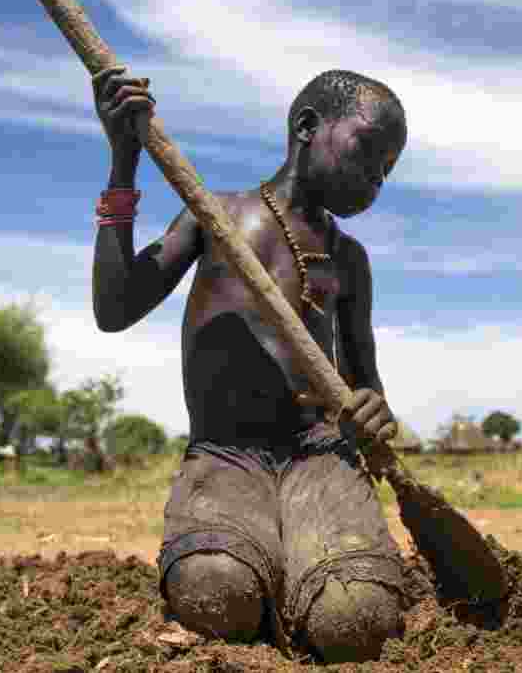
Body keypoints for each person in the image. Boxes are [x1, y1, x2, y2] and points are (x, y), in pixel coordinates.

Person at [91, 66, 407, 663]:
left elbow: (365, 384)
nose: (375, 178)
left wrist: (373, 411)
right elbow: (115, 307)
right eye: (369, 152)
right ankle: (266, 559)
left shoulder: (350, 260)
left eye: (387, 170)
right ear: (308, 127)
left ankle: (304, 560)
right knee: (218, 591)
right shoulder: (216, 217)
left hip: (320, 459)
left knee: (354, 617)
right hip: (225, 456)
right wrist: (123, 162)